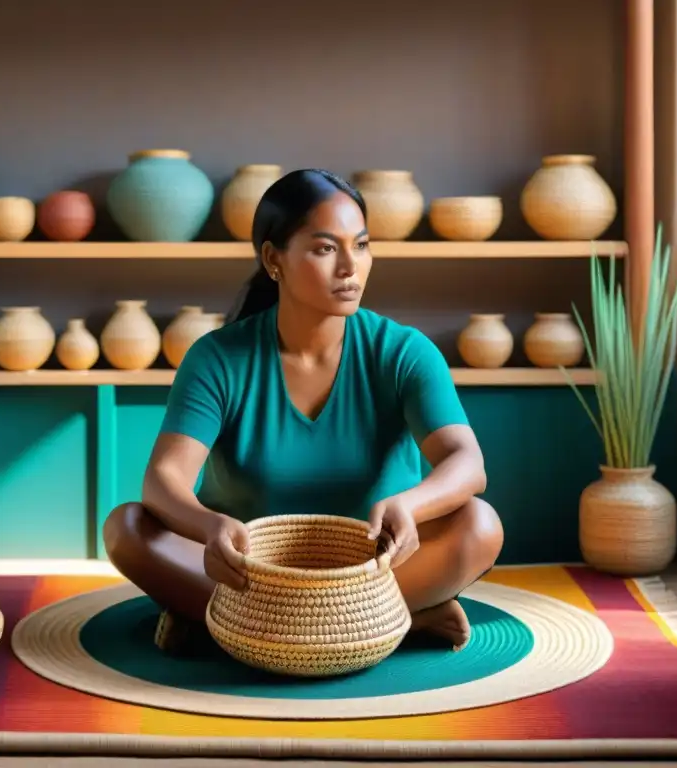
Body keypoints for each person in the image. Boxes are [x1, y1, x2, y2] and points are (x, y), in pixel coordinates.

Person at [103, 168, 503, 654]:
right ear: (274, 259)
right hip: (249, 574)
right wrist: (209, 526)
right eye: (325, 248)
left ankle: (221, 625)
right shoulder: (217, 358)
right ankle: (398, 621)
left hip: (369, 571)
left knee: (479, 526)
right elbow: (162, 480)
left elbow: (467, 461)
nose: (350, 268)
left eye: (361, 245)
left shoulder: (404, 352)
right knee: (127, 529)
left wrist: (411, 505)